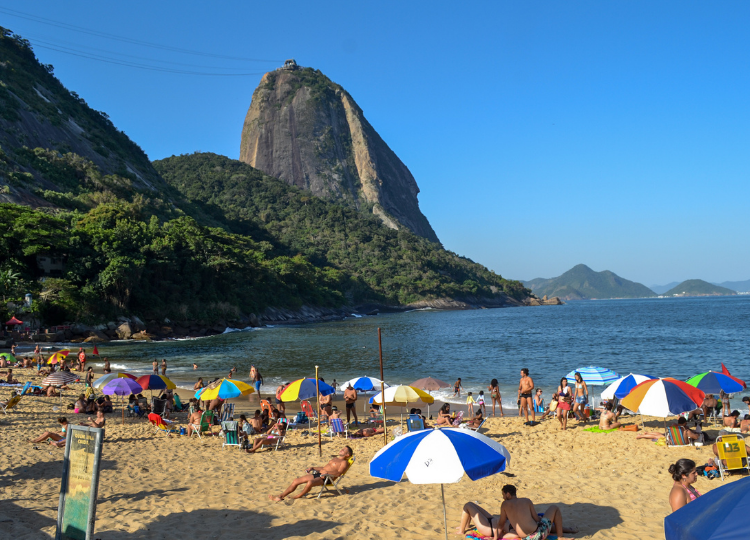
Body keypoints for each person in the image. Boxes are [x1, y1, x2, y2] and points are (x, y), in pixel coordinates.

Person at [456, 485, 571, 540]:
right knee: (553, 509)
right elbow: (537, 520)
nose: (503, 497)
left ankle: (462, 530)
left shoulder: (505, 505)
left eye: (503, 495)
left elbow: (501, 524)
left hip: (490, 527)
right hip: (533, 532)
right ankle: (562, 533)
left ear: (508, 494)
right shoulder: (526, 501)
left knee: (468, 505)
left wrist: (495, 537)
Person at [269, 446, 353, 501]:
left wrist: (327, 472)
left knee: (310, 483)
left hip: (327, 478)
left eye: (344, 450)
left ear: (347, 454)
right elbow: (323, 468)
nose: (341, 449)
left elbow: (338, 473)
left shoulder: (344, 462)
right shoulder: (334, 459)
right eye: (342, 448)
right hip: (321, 474)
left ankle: (299, 495)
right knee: (296, 480)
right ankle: (281, 496)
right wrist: (313, 468)